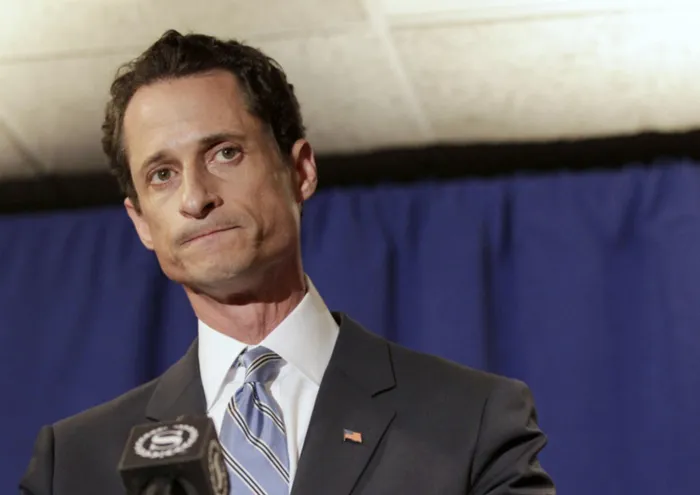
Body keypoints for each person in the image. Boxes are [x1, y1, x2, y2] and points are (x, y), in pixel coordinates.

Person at [19, 30, 555, 495]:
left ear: (300, 171)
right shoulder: (75, 464)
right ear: (140, 222)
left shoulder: (470, 418)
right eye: (162, 174)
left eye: (224, 153)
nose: (195, 197)